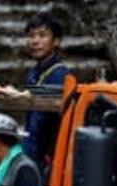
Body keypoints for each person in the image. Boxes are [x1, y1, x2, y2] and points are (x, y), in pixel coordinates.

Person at [20, 12, 69, 174]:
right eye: (31, 36)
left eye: (42, 36)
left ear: (56, 41)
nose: (35, 41)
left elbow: (48, 117)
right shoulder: (33, 73)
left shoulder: (60, 75)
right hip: (32, 147)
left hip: (48, 153)